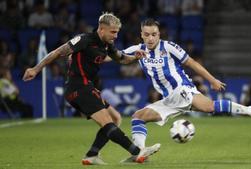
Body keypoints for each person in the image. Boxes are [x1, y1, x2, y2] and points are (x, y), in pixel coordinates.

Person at [121, 18, 251, 161]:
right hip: (168, 99)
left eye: (154, 34)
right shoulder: (137, 50)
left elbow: (192, 63)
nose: (150, 38)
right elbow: (115, 56)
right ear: (141, 34)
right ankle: (140, 152)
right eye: (147, 34)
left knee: (209, 106)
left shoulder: (168, 46)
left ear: (159, 34)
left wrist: (212, 80)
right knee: (138, 117)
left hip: (181, 89)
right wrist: (98, 55)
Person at [22, 13, 160, 165]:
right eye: (113, 32)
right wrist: (35, 69)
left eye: (117, 32)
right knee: (107, 122)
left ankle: (92, 155)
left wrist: (135, 56)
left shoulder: (107, 45)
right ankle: (137, 152)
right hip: (78, 87)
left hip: (87, 87)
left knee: (115, 118)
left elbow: (121, 58)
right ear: (101, 29)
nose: (115, 35)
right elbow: (57, 52)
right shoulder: (84, 40)